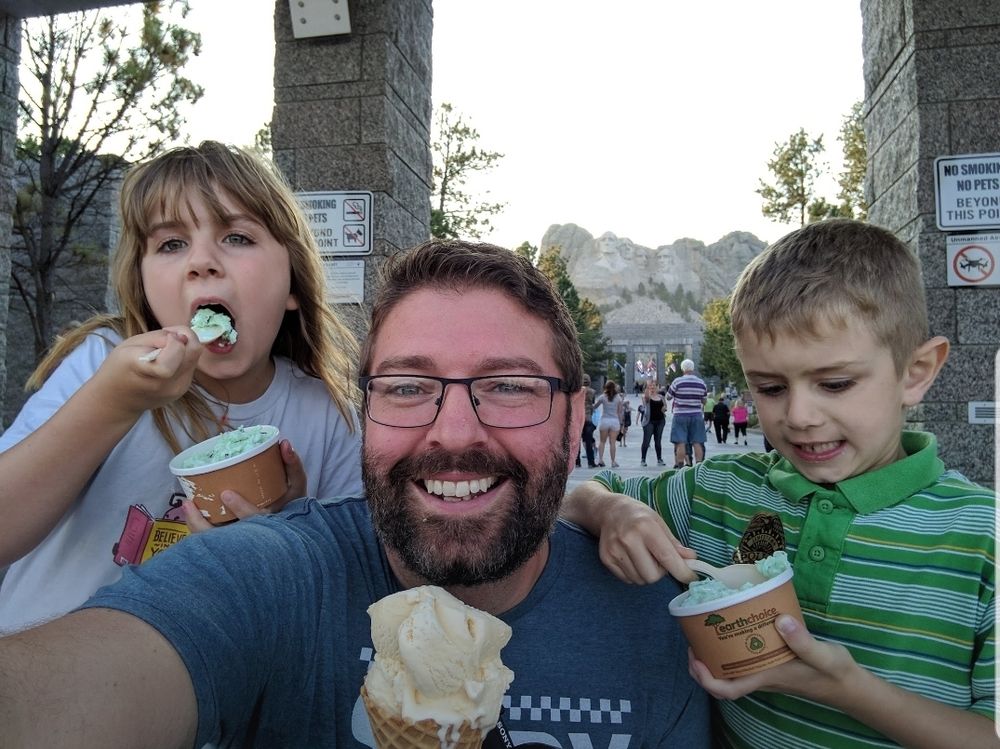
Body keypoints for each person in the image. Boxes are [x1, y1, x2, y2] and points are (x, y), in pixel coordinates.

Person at [0, 240, 709, 748]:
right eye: (407, 386)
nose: (452, 431)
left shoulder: (653, 618)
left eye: (508, 385)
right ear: (365, 409)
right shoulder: (274, 580)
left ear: (577, 415)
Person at [561, 219, 995, 748]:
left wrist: (845, 688)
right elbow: (581, 495)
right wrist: (614, 512)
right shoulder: (718, 493)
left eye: (835, 383)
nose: (800, 415)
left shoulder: (983, 536)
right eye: (769, 387)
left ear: (916, 371)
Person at [0, 142, 363, 634]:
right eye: (171, 244)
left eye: (236, 237)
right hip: (33, 673)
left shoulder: (325, 417)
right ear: (145, 286)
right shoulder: (100, 363)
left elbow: (346, 592)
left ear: (294, 284)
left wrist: (291, 527)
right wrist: (112, 403)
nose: (202, 262)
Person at [664, 358, 707, 467]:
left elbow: (668, 397)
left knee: (680, 442)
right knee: (697, 442)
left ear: (683, 369)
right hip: (696, 415)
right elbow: (704, 400)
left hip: (680, 415)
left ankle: (680, 466)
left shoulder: (677, 381)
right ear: (693, 369)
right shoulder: (701, 382)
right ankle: (698, 466)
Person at [594, 379, 624, 467]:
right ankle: (613, 462)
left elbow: (595, 406)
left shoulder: (602, 397)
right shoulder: (618, 398)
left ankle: (600, 460)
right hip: (614, 421)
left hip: (604, 421)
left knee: (602, 442)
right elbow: (620, 412)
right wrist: (621, 423)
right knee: (612, 443)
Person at [639, 378, 666, 467]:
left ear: (657, 387)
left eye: (654, 386)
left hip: (660, 421)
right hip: (649, 421)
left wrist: (664, 408)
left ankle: (659, 459)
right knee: (646, 440)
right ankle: (643, 459)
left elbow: (665, 406)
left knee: (658, 441)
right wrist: (648, 385)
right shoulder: (646, 397)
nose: (653, 387)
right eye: (650, 386)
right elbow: (645, 399)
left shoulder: (661, 397)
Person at [574, 373, 598, 468]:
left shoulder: (577, 391)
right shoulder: (592, 392)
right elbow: (592, 404)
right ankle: (591, 462)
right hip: (588, 418)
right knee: (588, 441)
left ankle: (577, 462)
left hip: (578, 418)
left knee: (577, 441)